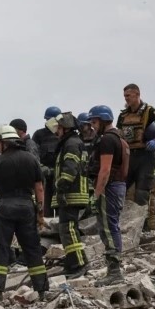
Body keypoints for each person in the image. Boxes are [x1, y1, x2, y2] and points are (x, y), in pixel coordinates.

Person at [0, 125, 48, 301]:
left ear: (5, 142)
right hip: (27, 208)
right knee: (32, 249)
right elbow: (39, 188)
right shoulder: (31, 159)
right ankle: (42, 290)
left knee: (1, 248)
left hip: (5, 207)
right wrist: (40, 213)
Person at [118, 84, 155, 231]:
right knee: (122, 191)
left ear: (137, 94)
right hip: (129, 156)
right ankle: (124, 227)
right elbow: (119, 134)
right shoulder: (123, 115)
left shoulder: (149, 111)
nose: (126, 98)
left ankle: (144, 230)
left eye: (128, 95)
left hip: (145, 156)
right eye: (124, 96)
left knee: (142, 194)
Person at [87, 105, 129, 285]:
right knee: (112, 226)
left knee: (108, 228)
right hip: (118, 185)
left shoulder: (107, 140)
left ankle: (114, 272)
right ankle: (114, 269)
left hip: (109, 187)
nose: (92, 126)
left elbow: (104, 170)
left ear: (103, 120)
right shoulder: (120, 138)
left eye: (94, 122)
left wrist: (97, 194)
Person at [48, 113, 89, 278]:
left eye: (58, 127)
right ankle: (72, 262)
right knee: (66, 230)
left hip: (72, 194)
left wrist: (61, 188)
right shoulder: (70, 142)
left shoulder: (71, 144)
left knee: (69, 230)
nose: (56, 131)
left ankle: (79, 264)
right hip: (71, 194)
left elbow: (70, 170)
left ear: (65, 128)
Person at [32, 106, 62, 217]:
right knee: (45, 209)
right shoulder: (39, 135)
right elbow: (33, 156)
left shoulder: (62, 134)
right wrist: (42, 168)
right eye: (48, 119)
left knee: (60, 208)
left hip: (59, 177)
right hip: (44, 177)